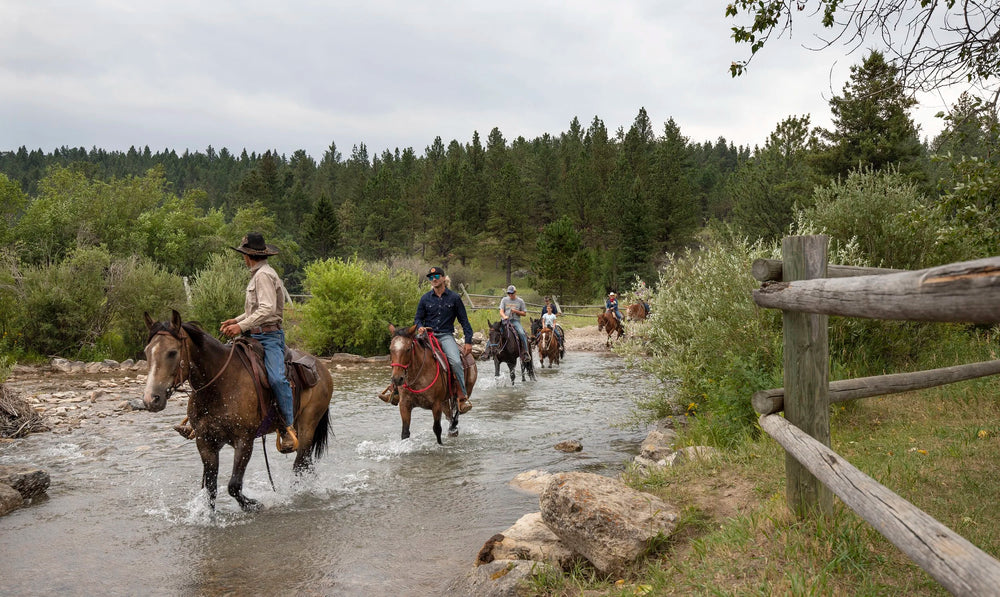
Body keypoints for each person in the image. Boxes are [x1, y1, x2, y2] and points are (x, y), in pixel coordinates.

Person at [219, 232, 299, 454]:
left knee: (276, 378)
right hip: (253, 335)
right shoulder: (258, 274)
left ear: (248, 255)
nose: (243, 258)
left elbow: (266, 310)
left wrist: (240, 327)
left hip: (269, 337)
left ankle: (288, 428)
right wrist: (236, 320)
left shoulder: (263, 275)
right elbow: (254, 311)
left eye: (243, 254)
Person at [413, 266, 474, 413]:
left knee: (455, 361)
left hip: (445, 335)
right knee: (405, 351)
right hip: (426, 335)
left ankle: (462, 396)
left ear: (443, 278)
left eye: (436, 277)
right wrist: (420, 326)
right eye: (430, 278)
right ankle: (395, 391)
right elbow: (418, 318)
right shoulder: (425, 298)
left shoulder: (454, 298)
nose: (433, 280)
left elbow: (464, 321)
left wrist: (468, 341)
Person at [499, 285, 531, 362]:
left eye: (512, 293)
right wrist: (504, 316)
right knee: (495, 331)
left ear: (515, 292)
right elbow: (501, 310)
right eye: (509, 293)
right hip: (505, 320)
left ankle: (526, 352)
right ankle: (487, 351)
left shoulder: (520, 301)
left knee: (521, 333)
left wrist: (516, 311)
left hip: (515, 321)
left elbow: (524, 313)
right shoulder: (504, 300)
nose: (510, 295)